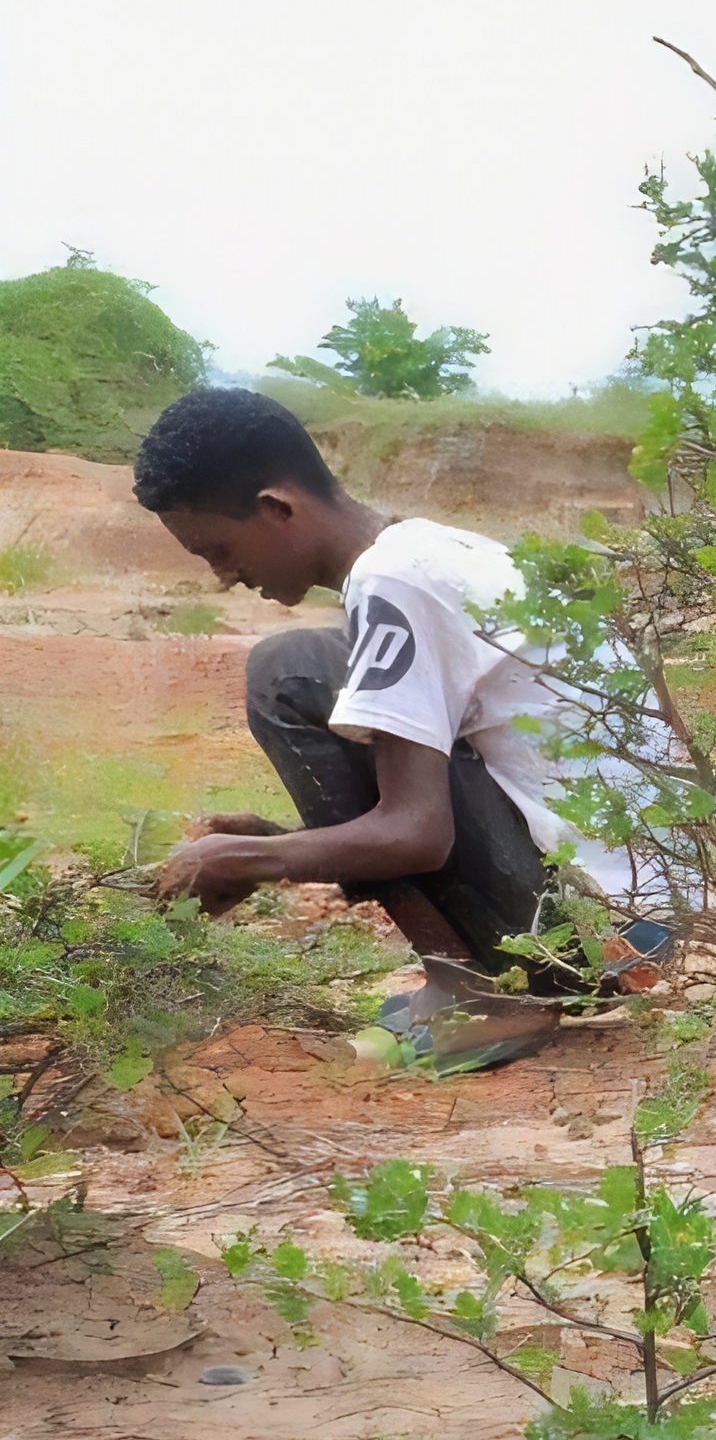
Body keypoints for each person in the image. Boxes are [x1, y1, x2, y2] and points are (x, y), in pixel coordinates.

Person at [130, 386, 644, 1069]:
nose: (223, 576)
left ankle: (485, 997)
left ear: (277, 508)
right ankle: (473, 980)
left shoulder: (393, 582)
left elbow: (417, 833)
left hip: (593, 938)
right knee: (314, 667)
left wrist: (236, 861)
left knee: (286, 673)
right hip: (645, 921)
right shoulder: (426, 552)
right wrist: (291, 846)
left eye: (218, 550)